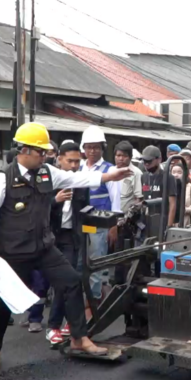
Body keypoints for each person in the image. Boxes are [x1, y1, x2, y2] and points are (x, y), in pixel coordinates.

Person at [0, 122, 131, 369]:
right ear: (24, 150)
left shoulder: (47, 172)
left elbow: (76, 177)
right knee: (3, 302)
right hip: (13, 251)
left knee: (71, 281)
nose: (45, 156)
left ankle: (80, 338)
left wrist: (109, 176)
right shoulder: (1, 179)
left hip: (44, 247)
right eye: (41, 152)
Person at [45, 142, 89, 345]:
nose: (73, 165)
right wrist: (55, 200)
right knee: (54, 283)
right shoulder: (47, 178)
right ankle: (52, 324)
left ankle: (63, 325)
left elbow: (85, 210)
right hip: (50, 237)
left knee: (70, 281)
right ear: (59, 159)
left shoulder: (81, 181)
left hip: (72, 237)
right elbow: (37, 208)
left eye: (77, 162)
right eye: (70, 161)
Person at [79, 125, 120, 303]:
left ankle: (93, 300)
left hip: (100, 226)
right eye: (89, 147)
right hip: (81, 224)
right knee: (80, 262)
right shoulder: (79, 168)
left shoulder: (109, 170)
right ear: (84, 148)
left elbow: (116, 200)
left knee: (95, 263)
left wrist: (114, 226)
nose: (92, 151)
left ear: (102, 148)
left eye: (96, 147)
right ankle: (83, 297)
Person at [141, 145, 178, 229]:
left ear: (159, 159)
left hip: (162, 220)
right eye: (144, 161)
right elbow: (144, 197)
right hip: (147, 220)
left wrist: (169, 226)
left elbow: (172, 204)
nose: (146, 164)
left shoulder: (168, 177)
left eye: (149, 161)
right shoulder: (144, 176)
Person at [114, 141, 143, 213]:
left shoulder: (136, 173)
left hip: (126, 217)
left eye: (124, 156)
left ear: (130, 157)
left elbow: (139, 199)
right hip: (110, 215)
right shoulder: (111, 171)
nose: (121, 158)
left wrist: (129, 216)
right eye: (118, 155)